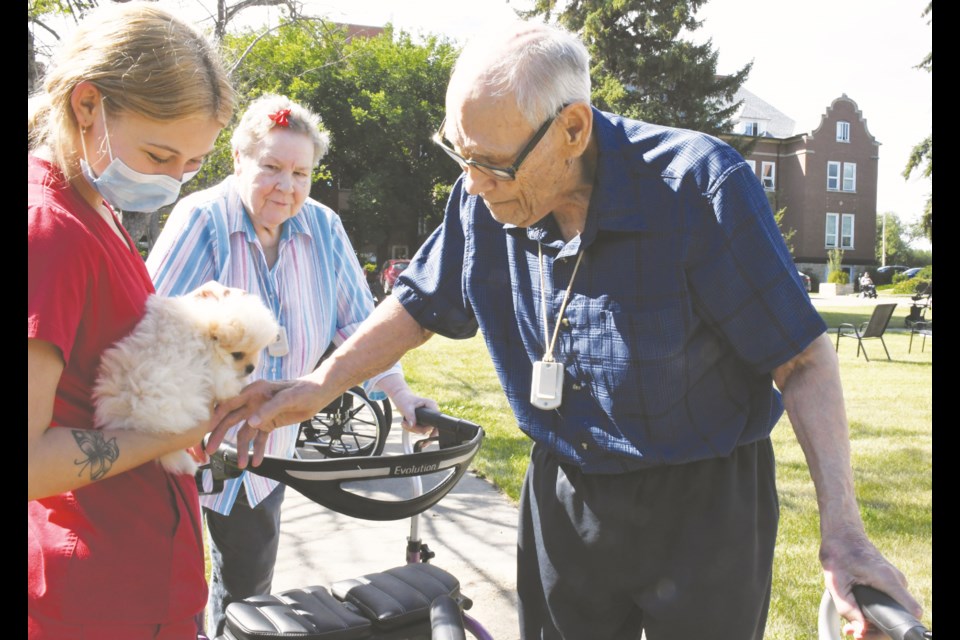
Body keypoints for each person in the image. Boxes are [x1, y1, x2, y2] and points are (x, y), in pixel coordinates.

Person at [207, 21, 923, 640]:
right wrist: (314, 385)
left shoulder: (702, 188)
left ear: (573, 129)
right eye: (460, 156)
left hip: (704, 505)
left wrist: (845, 531)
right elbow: (419, 305)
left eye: (490, 165)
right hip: (566, 491)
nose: (474, 185)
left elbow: (801, 359)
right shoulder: (483, 195)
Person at [145, 93, 436, 638]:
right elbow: (149, 322)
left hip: (262, 452)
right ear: (238, 161)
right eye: (272, 168)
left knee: (249, 596)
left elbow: (360, 327)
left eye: (301, 172)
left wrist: (402, 397)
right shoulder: (202, 218)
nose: (287, 185)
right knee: (171, 592)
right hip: (178, 446)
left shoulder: (323, 228)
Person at [28, 3, 234, 638]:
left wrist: (178, 323)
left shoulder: (98, 206)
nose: (174, 181)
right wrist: (177, 430)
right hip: (92, 599)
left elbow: (89, 347)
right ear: (87, 106)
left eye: (194, 165)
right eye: (159, 153)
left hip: (140, 579)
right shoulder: (53, 229)